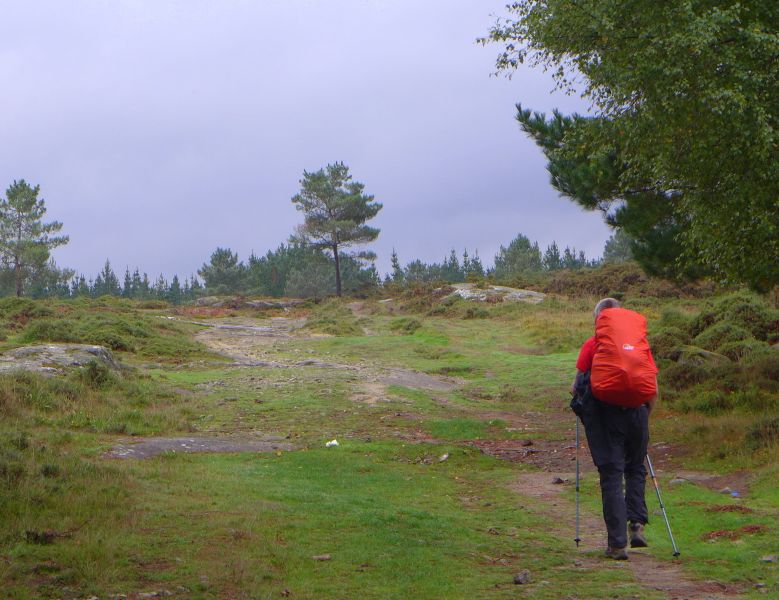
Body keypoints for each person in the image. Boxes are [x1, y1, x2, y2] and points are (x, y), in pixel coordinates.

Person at [571, 298, 658, 560]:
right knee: (635, 468)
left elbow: (576, 387)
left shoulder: (593, 344)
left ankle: (617, 545)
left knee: (611, 474)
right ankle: (637, 525)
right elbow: (652, 386)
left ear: (598, 320)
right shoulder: (639, 344)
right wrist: (643, 414)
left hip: (606, 415)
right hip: (638, 413)